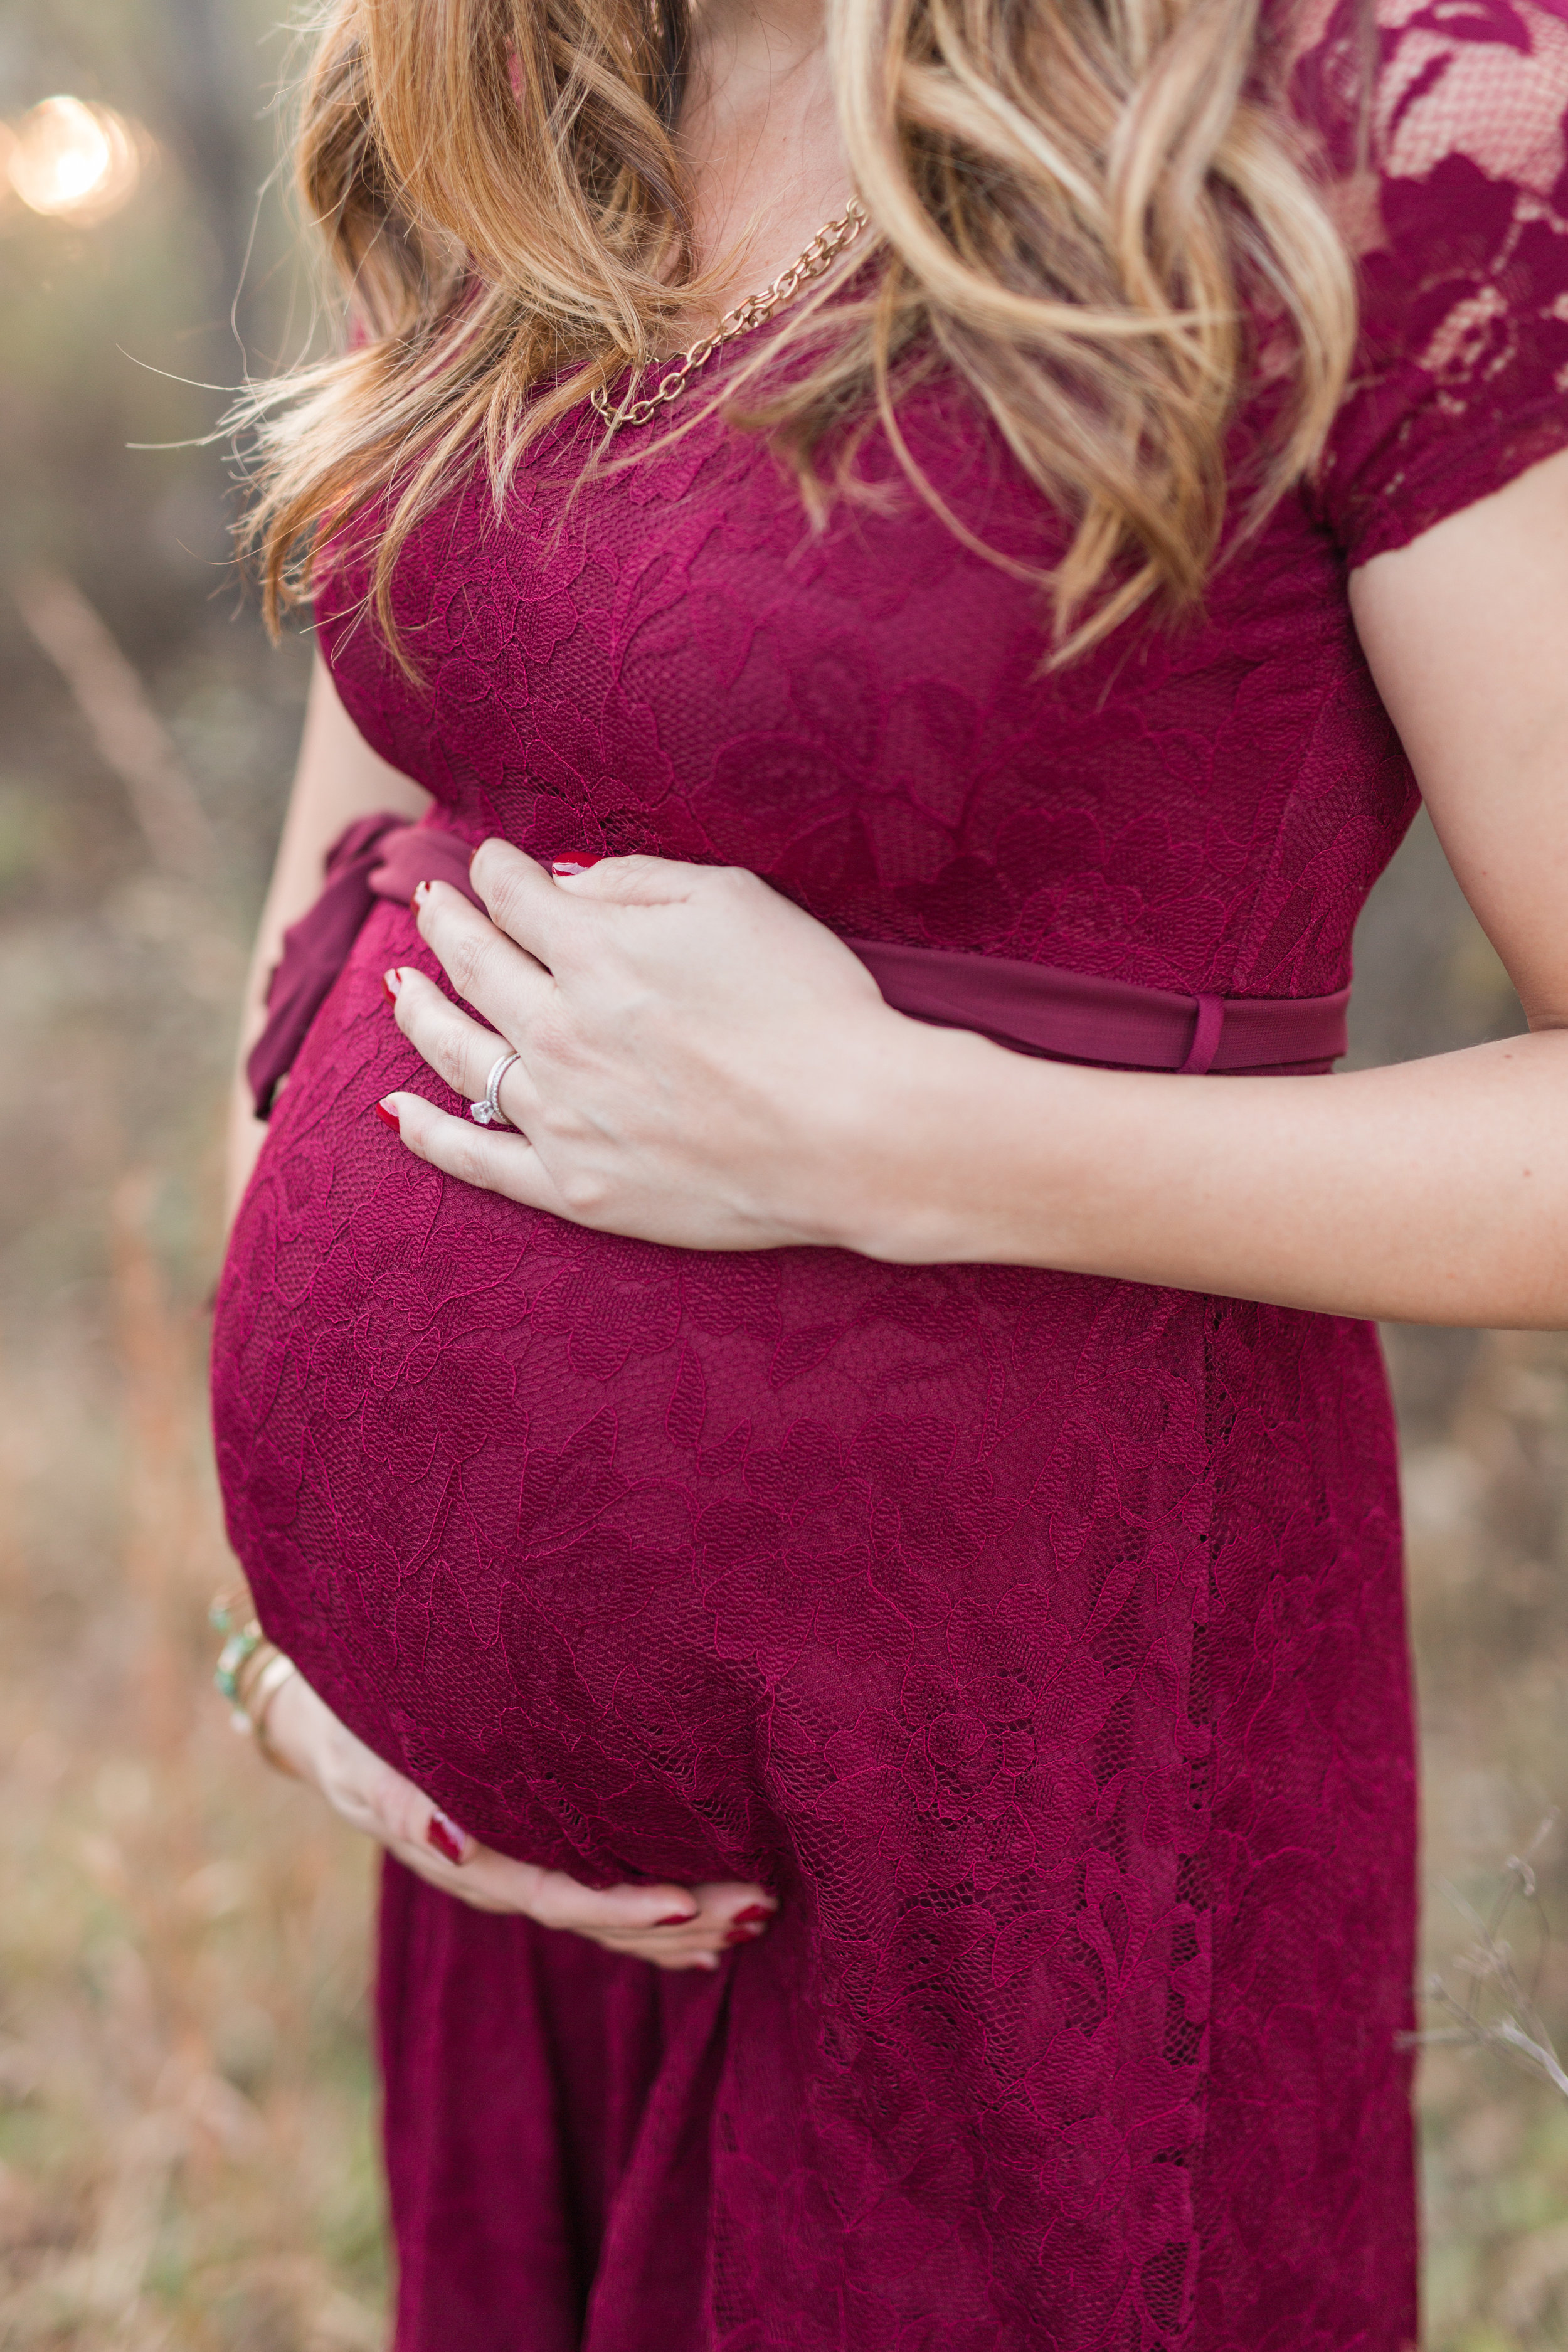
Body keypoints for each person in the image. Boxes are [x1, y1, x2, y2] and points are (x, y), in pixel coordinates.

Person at [209, 0, 1568, 2329]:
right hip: (497, 1869)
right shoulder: (519, 84)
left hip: (1025, 1791)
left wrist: (903, 1140)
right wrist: (302, 1654)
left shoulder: (1388, 109)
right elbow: (355, 899)